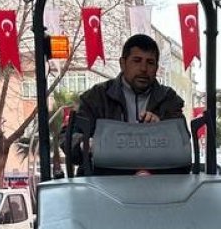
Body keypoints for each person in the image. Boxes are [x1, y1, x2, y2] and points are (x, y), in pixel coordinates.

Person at [63, 34, 187, 173]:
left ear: (157, 68)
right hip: (104, 182)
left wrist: (162, 129)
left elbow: (182, 145)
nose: (143, 68)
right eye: (137, 61)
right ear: (122, 63)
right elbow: (68, 137)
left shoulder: (169, 99)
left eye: (150, 63)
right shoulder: (96, 96)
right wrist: (85, 144)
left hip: (157, 183)